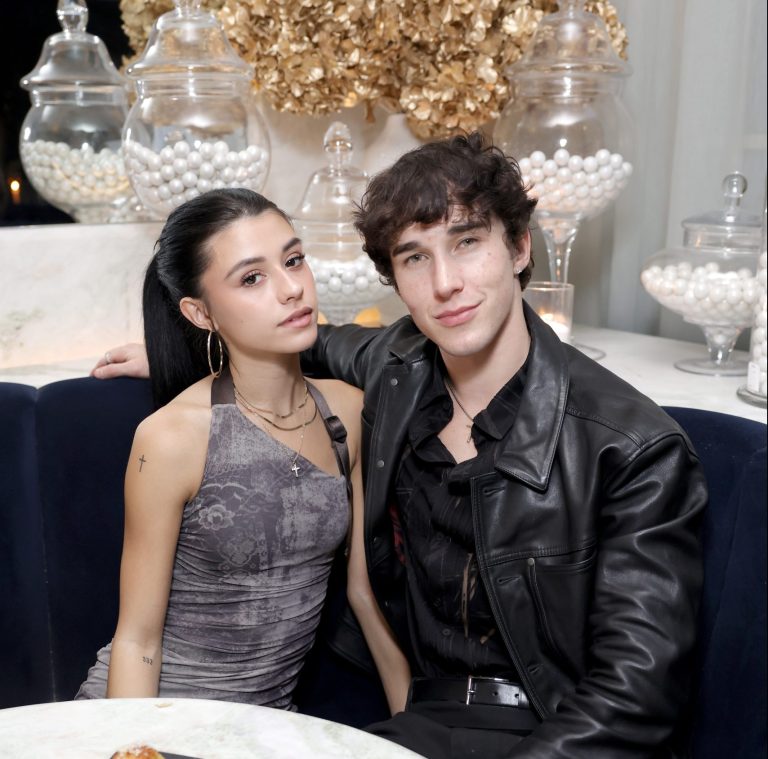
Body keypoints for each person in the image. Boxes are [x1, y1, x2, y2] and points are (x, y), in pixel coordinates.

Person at [92, 134, 706, 758]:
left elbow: (635, 699)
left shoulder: (634, 448)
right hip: (421, 719)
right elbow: (315, 340)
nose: (446, 283)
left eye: (467, 242)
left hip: (556, 729)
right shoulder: (396, 371)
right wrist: (194, 350)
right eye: (415, 258)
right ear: (394, 281)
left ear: (521, 246)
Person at [77, 188, 408, 712]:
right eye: (252, 278)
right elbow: (138, 641)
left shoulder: (347, 412)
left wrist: (409, 729)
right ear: (200, 313)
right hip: (157, 718)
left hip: (268, 728)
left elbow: (365, 596)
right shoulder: (171, 438)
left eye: (293, 260)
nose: (292, 289)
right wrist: (135, 746)